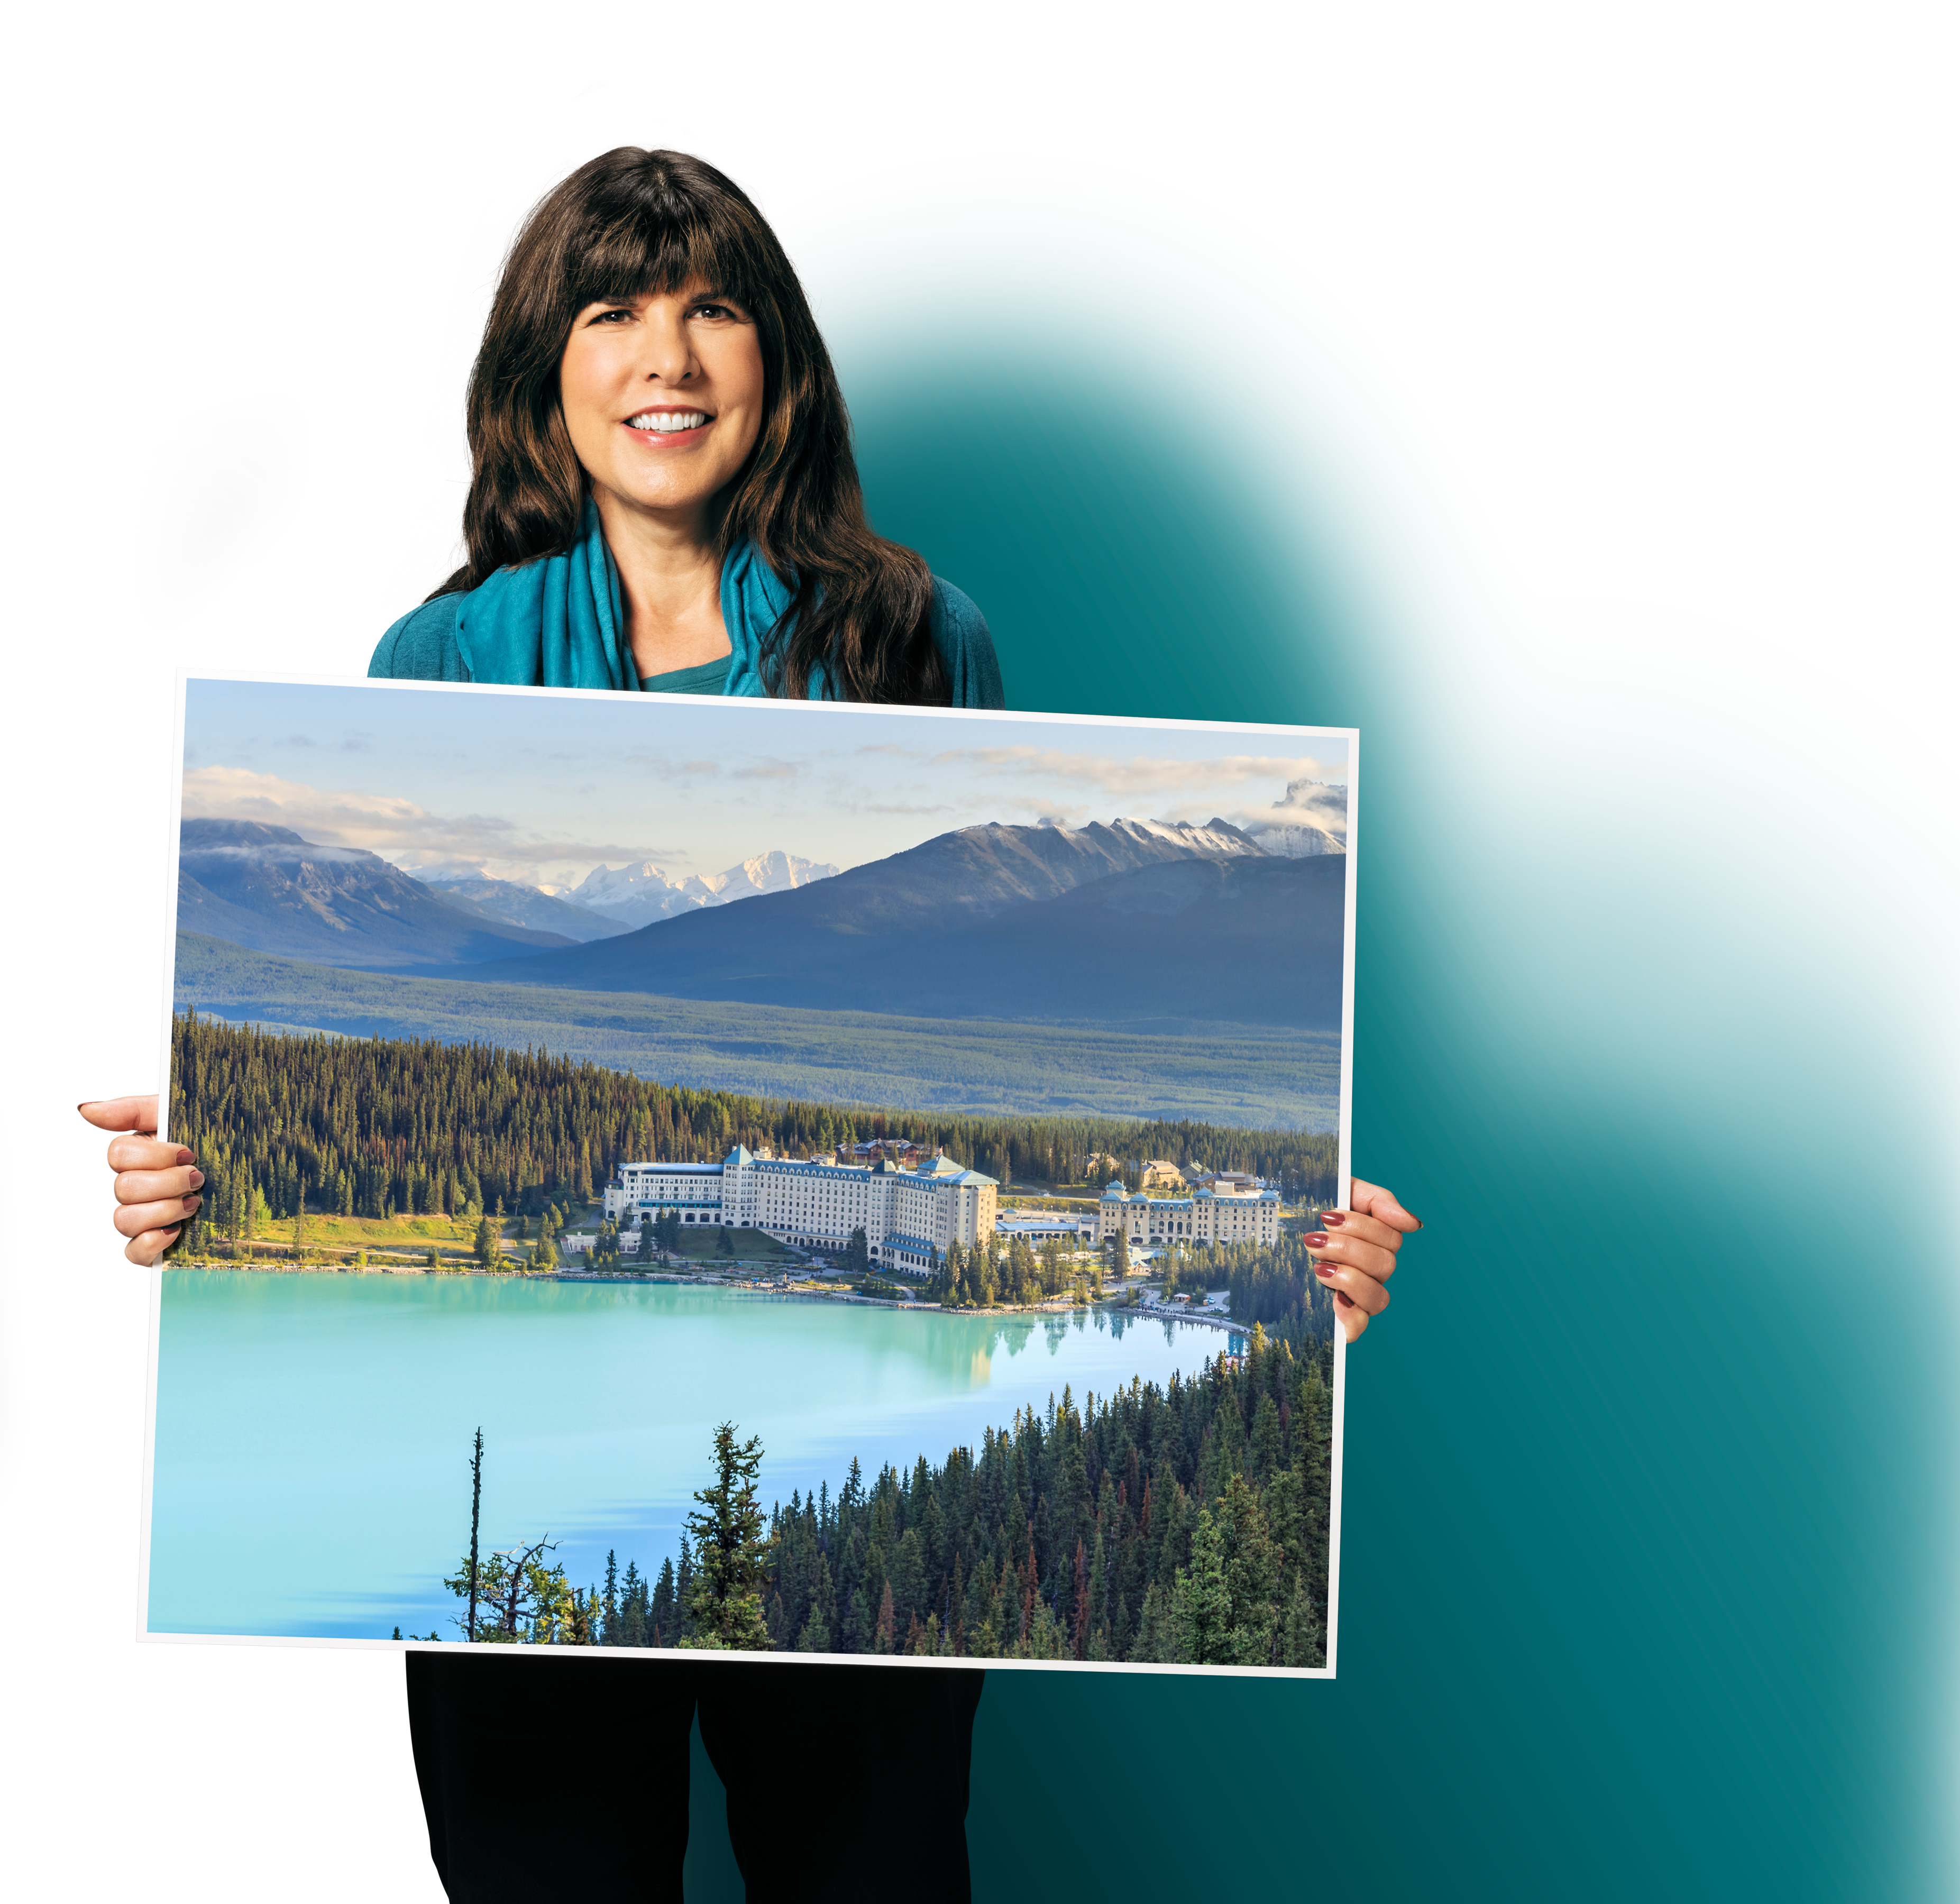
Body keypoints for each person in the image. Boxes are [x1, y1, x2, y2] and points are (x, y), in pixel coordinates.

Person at [81, 142, 1420, 1901]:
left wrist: (1298, 1225)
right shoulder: (438, 668)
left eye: (713, 308)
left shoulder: (919, 639)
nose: (668, 356)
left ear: (775, 360)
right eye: (614, 310)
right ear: (542, 371)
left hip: (850, 1516)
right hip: (518, 1510)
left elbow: (1030, 1008)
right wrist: (203, 1180)